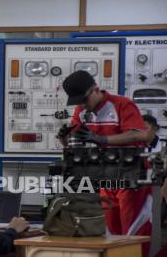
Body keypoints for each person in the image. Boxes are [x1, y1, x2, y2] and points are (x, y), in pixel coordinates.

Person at [57, 70, 151, 257]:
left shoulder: (122, 105)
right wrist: (63, 139)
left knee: (133, 229)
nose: (82, 105)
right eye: (78, 103)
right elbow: (74, 141)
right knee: (109, 231)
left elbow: (140, 134)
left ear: (95, 89)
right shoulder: (81, 110)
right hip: (104, 177)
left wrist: (102, 139)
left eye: (84, 100)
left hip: (131, 177)